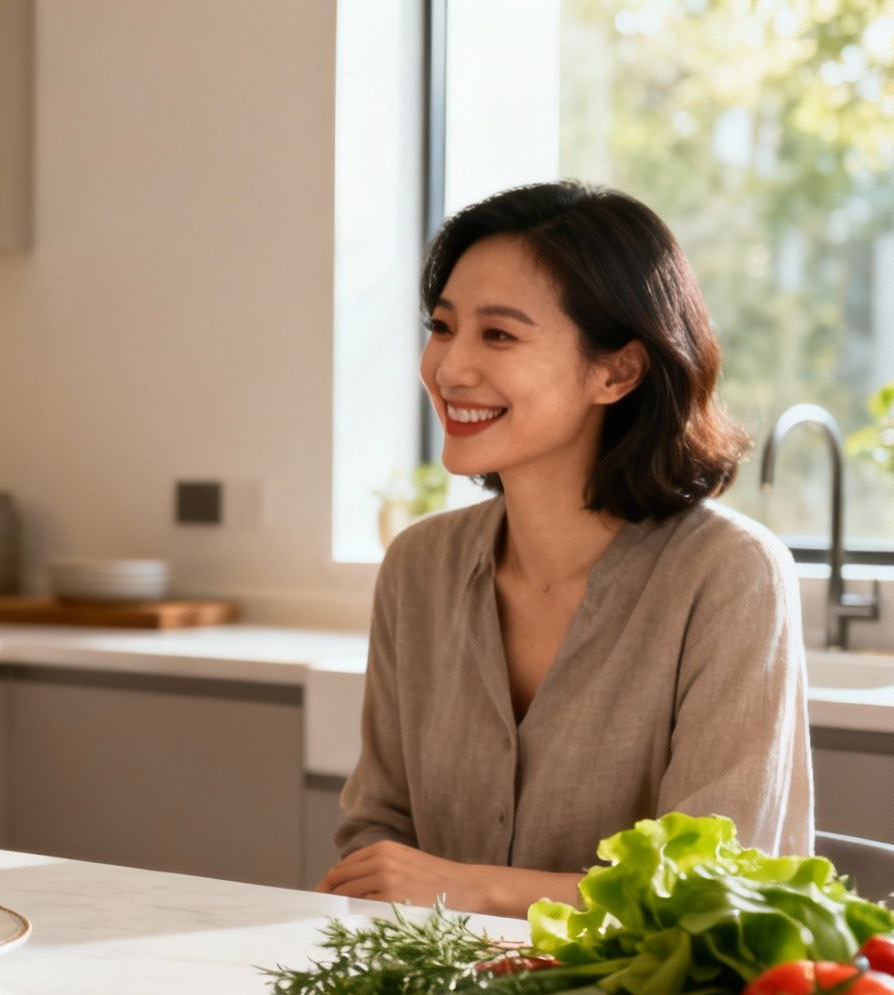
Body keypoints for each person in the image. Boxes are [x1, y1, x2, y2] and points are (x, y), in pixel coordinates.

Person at [320, 181, 812, 917]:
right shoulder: (419, 567)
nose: (449, 369)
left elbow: (713, 887)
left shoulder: (730, 574)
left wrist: (469, 888)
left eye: (499, 335)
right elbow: (378, 841)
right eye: (444, 327)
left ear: (616, 371)